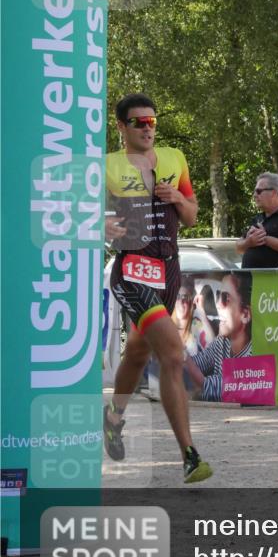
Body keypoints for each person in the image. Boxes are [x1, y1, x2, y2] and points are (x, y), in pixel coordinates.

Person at [103, 93, 212, 483]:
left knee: (135, 353)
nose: (147, 129)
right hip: (132, 269)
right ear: (121, 127)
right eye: (138, 123)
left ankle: (113, 418)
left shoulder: (175, 158)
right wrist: (102, 226)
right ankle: (189, 454)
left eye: (152, 122)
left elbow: (193, 216)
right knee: (173, 354)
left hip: (168, 272)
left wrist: (179, 198)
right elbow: (81, 211)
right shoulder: (107, 166)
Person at [187, 272, 253, 402]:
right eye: (218, 295)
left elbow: (211, 386)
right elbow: (199, 363)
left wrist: (179, 353)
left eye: (225, 298)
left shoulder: (254, 353)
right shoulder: (222, 342)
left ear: (245, 315)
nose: (217, 304)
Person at [172, 276, 212, 358]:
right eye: (177, 296)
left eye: (185, 297)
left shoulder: (195, 324)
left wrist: (201, 312)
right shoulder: (167, 324)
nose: (181, 301)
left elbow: (211, 349)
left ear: (190, 302)